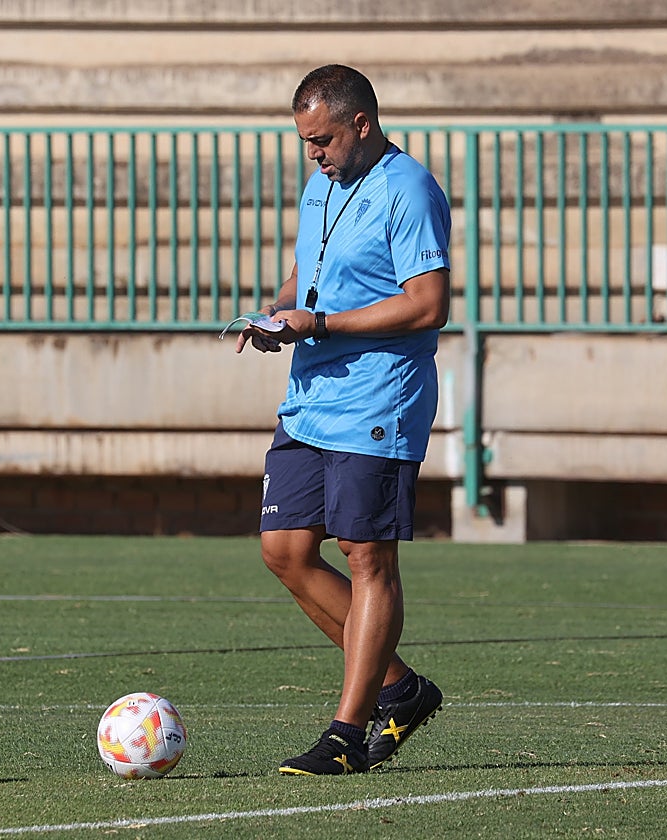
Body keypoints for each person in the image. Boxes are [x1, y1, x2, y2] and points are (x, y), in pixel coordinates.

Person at [233, 64, 450, 775]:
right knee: (284, 549)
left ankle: (346, 734)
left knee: (366, 557)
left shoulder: (408, 189)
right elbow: (309, 272)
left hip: (377, 400)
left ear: (362, 124)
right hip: (312, 395)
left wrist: (319, 322)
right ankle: (401, 690)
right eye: (304, 141)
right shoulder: (321, 182)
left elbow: (426, 305)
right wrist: (278, 312)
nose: (313, 153)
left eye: (322, 139)